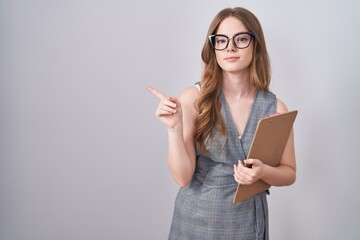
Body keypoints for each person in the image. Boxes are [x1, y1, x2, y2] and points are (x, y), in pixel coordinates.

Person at [146, 7, 296, 240]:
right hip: (196, 221)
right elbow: (183, 178)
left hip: (247, 225)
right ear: (213, 47)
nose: (231, 47)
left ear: (255, 44)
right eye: (221, 40)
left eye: (241, 39)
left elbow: (289, 173)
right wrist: (174, 129)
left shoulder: (275, 108)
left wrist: (262, 173)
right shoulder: (193, 99)